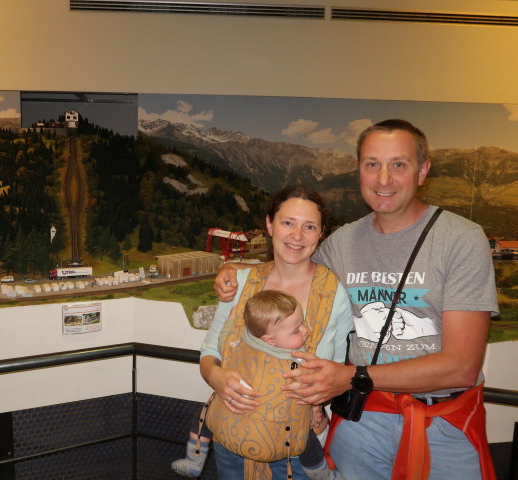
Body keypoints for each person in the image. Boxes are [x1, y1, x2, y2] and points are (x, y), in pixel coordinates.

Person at [215, 119, 498, 479]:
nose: (384, 179)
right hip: (364, 420)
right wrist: (236, 268)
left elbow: (462, 366)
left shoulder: (461, 239)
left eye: (399, 164)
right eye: (372, 164)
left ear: (423, 171)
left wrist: (352, 376)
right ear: (359, 170)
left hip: (442, 425)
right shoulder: (342, 243)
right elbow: (290, 264)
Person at [198, 185, 354, 479]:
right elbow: (209, 352)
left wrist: (319, 399)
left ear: (320, 233)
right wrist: (216, 377)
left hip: (299, 447)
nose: (297, 236)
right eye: (288, 223)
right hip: (233, 437)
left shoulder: (335, 294)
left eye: (309, 227)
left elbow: (341, 367)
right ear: (269, 225)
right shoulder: (240, 283)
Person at [172, 289, 341, 480]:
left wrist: (231, 321)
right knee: (306, 441)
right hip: (280, 428)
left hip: (237, 418)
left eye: (302, 323)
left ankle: (194, 460)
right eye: (297, 329)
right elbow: (312, 387)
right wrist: (314, 407)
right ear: (270, 340)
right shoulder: (300, 360)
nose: (306, 330)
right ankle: (323, 475)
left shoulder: (239, 343)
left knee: (206, 414)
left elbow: (223, 340)